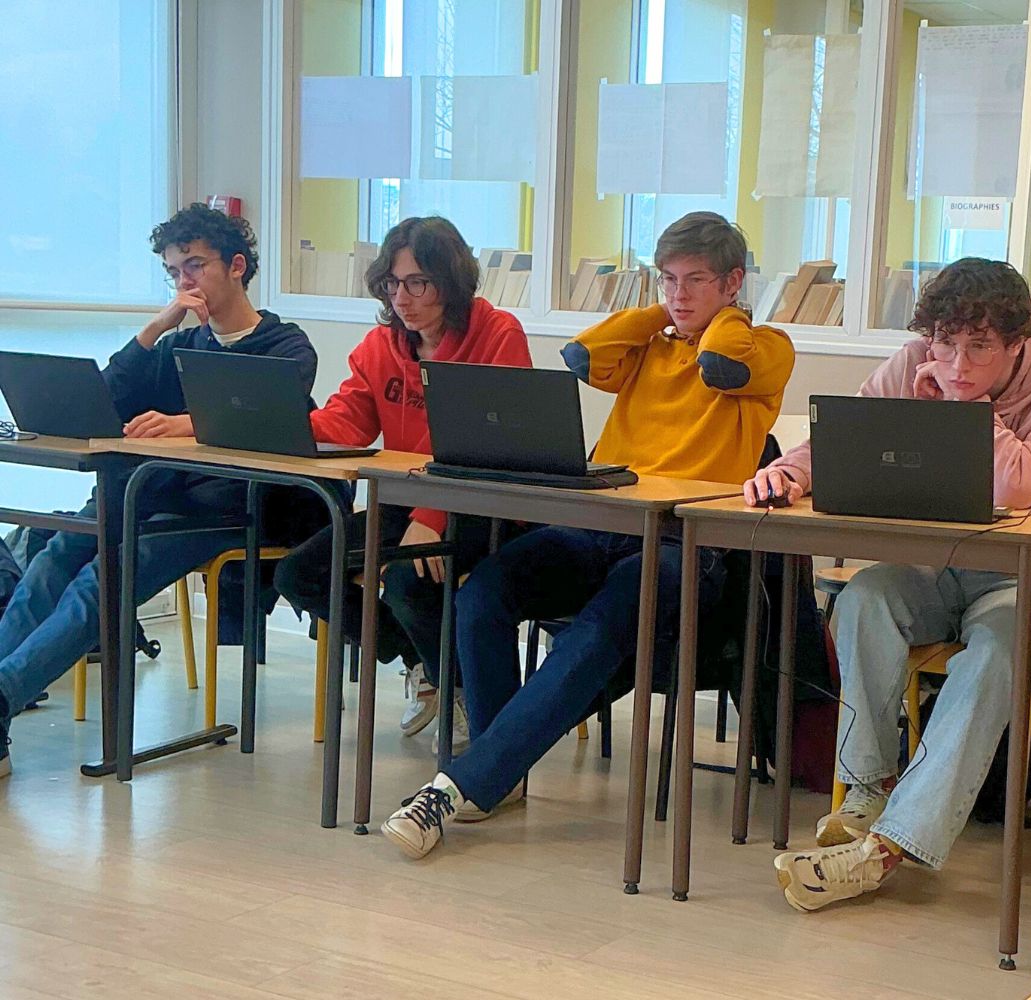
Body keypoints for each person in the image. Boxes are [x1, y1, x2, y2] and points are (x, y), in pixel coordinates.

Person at [380, 211, 794, 857]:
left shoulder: (766, 346)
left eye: (696, 280)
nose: (678, 294)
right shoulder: (650, 346)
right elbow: (581, 356)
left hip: (686, 545)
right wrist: (660, 314)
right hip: (601, 525)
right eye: (667, 279)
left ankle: (465, 784)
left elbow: (721, 365)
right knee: (483, 592)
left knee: (601, 627)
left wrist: (719, 317)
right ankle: (496, 774)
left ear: (734, 282)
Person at [746, 257, 1031, 911]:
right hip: (934, 571)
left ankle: (889, 848)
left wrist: (968, 407)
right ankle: (869, 789)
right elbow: (845, 437)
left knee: (997, 649)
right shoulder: (914, 361)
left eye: (980, 346)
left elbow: (1020, 483)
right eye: (945, 343)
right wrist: (790, 473)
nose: (957, 363)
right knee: (865, 598)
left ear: (1017, 341)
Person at [0, 204, 317, 778]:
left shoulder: (285, 344)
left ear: (236, 266)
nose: (184, 281)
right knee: (53, 558)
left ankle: (1, 698)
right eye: (173, 271)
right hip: (148, 495)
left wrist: (184, 425)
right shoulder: (175, 345)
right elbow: (105, 395)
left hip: (223, 508)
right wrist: (155, 327)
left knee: (102, 581)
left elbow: (271, 417)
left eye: (194, 265)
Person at [273, 217, 532, 750]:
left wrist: (431, 516)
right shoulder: (381, 345)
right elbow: (346, 424)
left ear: (450, 281)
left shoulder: (497, 333)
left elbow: (490, 444)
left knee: (408, 583)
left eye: (417, 283)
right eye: (393, 283)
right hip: (406, 503)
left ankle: (463, 690)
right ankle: (428, 666)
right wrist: (275, 424)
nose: (402, 298)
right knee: (298, 574)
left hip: (482, 505)